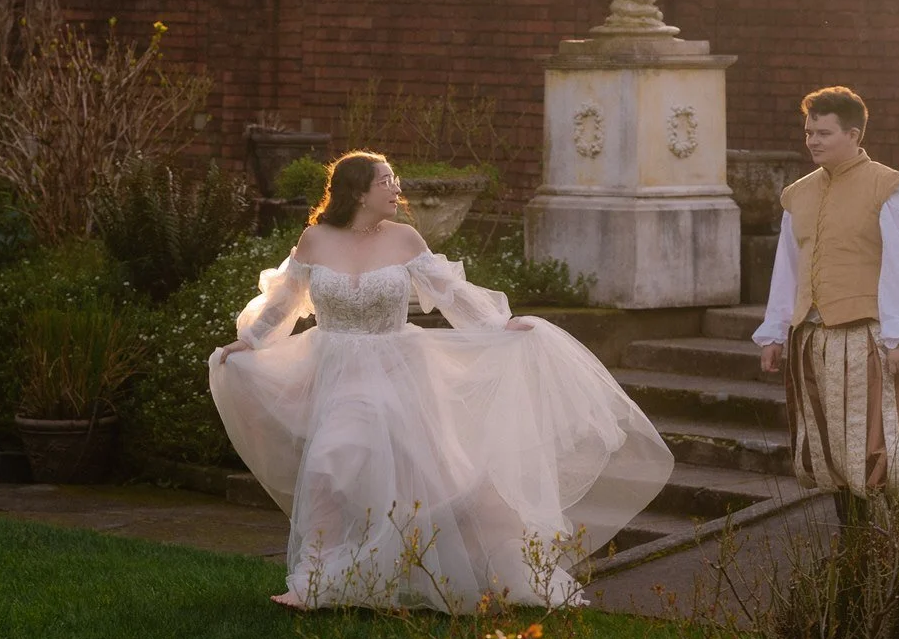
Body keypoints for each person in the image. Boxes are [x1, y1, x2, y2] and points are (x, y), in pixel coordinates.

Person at [211, 151, 673, 611]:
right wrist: (250, 341)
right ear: (356, 191)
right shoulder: (315, 239)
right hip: (333, 368)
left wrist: (497, 325)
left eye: (394, 180)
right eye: (386, 181)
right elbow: (285, 300)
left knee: (412, 477)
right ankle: (314, 581)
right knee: (331, 470)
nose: (396, 188)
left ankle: (467, 570)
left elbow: (450, 292)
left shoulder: (405, 239)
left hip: (396, 370)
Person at [754, 87, 899, 516]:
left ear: (854, 134)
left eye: (823, 132)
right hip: (812, 339)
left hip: (869, 339)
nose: (812, 141)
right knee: (831, 451)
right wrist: (775, 331)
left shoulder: (888, 188)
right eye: (809, 132)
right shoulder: (798, 194)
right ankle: (854, 549)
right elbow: (787, 269)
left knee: (884, 451)